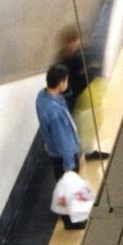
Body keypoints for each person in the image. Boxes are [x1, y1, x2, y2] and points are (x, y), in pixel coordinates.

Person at [36, 64, 86, 228]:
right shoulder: (55, 112)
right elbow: (62, 139)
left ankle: (65, 214)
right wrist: (69, 165)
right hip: (64, 155)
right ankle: (70, 221)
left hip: (53, 151)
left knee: (62, 184)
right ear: (61, 83)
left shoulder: (42, 97)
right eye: (66, 81)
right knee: (68, 186)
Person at [56, 28, 109, 160]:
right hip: (75, 99)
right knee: (77, 128)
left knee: (90, 125)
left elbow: (96, 66)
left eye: (75, 41)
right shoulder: (63, 62)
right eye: (70, 42)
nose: (74, 44)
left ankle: (89, 152)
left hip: (88, 96)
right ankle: (74, 157)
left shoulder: (85, 53)